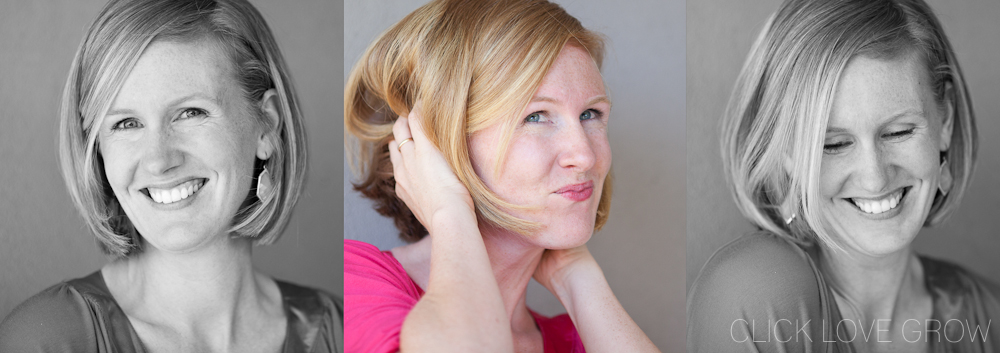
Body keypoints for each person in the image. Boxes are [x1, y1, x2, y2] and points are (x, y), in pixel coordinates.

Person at [0, 0, 343, 351]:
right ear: (98, 148)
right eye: (126, 123)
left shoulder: (340, 331)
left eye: (190, 112)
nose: (159, 161)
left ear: (266, 126)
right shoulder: (47, 338)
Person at [343, 0, 659, 351]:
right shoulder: (354, 281)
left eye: (590, 114)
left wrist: (578, 277)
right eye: (536, 116)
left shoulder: (581, 339)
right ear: (440, 143)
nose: (585, 156)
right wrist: (450, 211)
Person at [688, 0, 999, 351]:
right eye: (834, 144)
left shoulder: (988, 316)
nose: (875, 178)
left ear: (945, 122)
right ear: (786, 152)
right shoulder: (752, 292)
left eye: (899, 132)